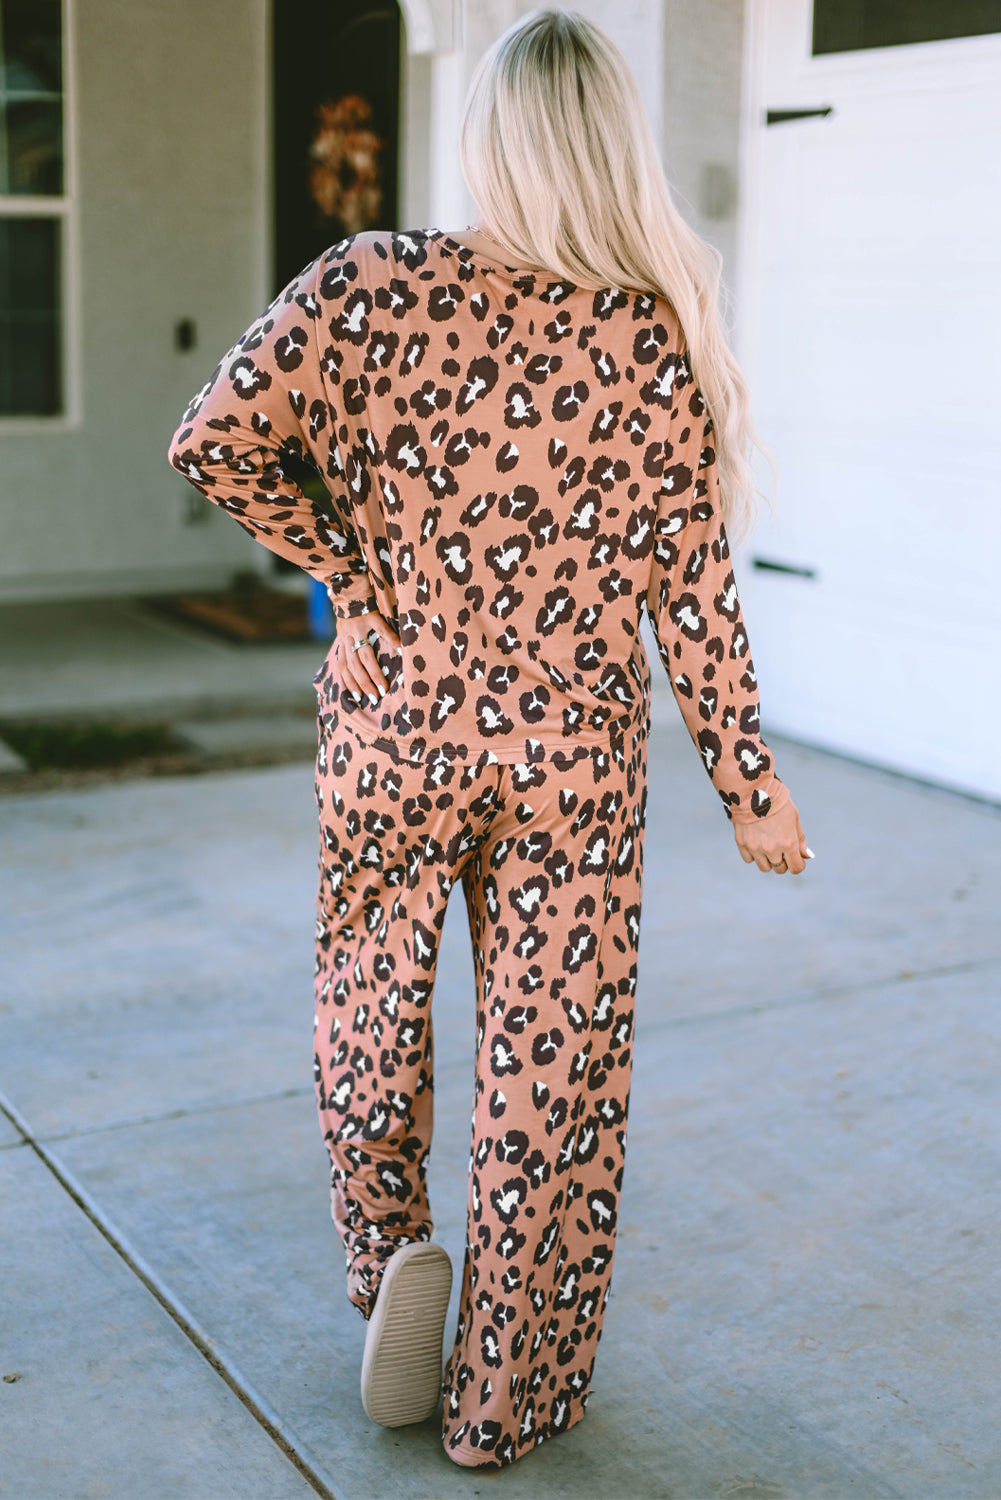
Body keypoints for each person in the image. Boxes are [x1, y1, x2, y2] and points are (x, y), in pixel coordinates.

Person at [168, 7, 810, 1470]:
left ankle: (387, 1248)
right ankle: (503, 1398)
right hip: (570, 753)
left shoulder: (370, 282)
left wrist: (344, 559)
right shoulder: (650, 328)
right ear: (609, 148)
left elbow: (213, 440)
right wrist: (749, 789)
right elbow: (691, 597)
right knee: (554, 1066)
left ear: (485, 135)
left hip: (395, 727)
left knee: (367, 1004)